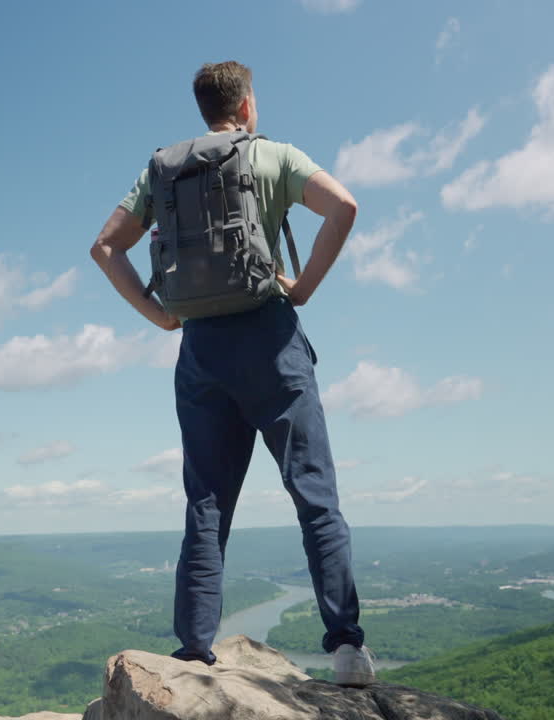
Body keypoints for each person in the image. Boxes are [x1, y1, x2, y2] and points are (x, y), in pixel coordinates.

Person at [89, 61, 375, 687]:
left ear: (205, 109)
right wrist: (300, 289)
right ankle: (347, 649)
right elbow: (344, 207)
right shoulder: (272, 156)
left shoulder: (162, 169)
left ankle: (193, 650)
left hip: (200, 350)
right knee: (314, 495)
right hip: (270, 340)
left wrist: (160, 317)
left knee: (207, 503)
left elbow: (106, 247)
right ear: (246, 106)